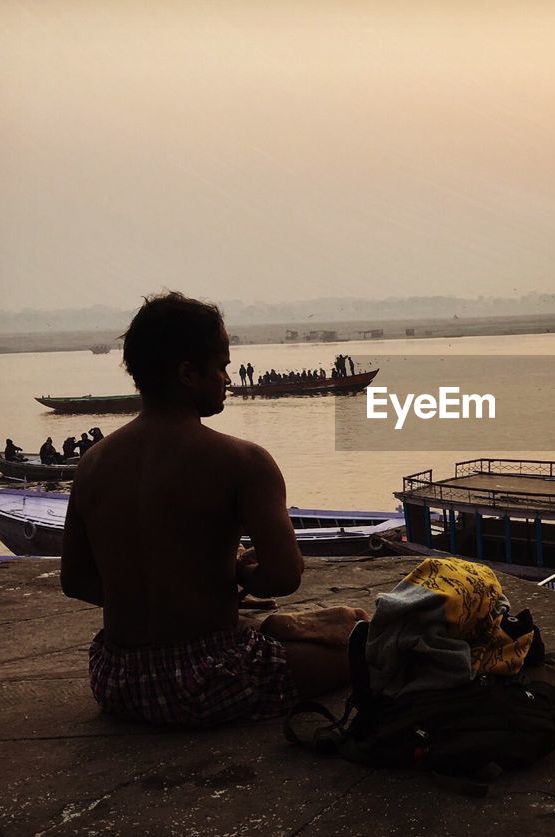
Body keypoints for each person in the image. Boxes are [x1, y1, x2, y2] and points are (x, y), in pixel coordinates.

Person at [61, 292, 365, 728]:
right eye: (221, 366)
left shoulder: (92, 463)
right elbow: (284, 576)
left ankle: (287, 630)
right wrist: (241, 573)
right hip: (208, 680)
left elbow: (76, 581)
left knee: (287, 632)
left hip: (117, 679)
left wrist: (160, 594)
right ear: (188, 373)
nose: (228, 377)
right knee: (366, 648)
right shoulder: (244, 462)